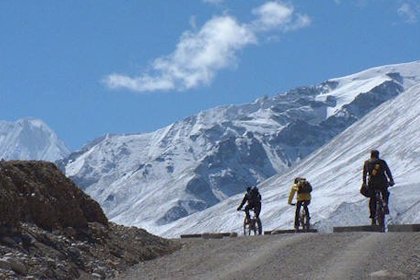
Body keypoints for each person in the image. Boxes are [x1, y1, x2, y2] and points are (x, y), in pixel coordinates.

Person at [362, 150, 394, 225]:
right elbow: (387, 171)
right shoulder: (382, 162)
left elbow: (364, 174)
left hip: (372, 184)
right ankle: (385, 204)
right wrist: (391, 180)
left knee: (372, 199)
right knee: (385, 193)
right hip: (382, 182)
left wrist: (364, 183)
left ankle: (373, 217)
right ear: (377, 155)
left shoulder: (367, 163)